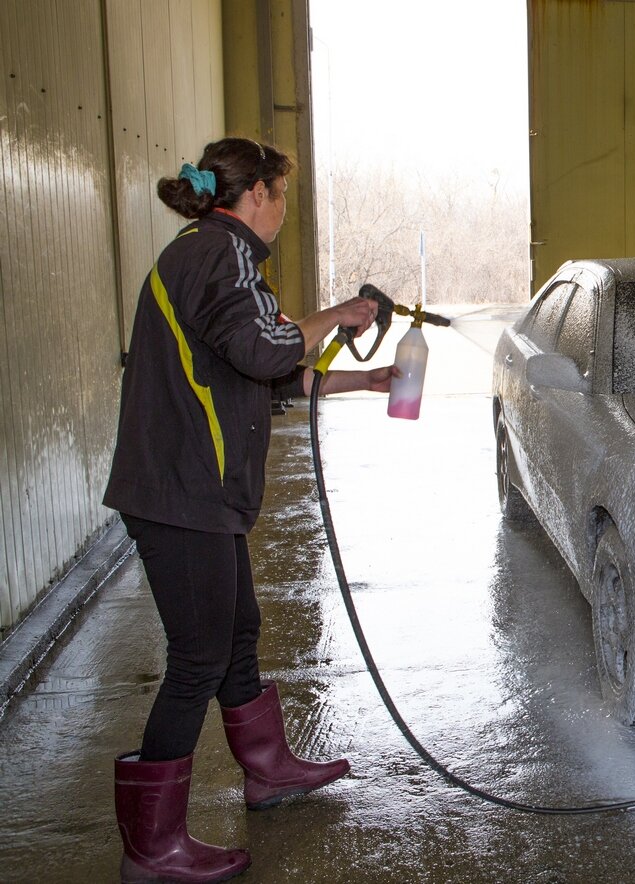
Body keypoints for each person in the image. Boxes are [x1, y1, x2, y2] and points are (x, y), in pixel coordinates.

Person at [103, 136, 390, 883]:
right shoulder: (217, 254)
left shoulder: (209, 255)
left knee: (235, 634)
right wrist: (338, 313)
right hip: (182, 493)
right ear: (255, 194)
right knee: (197, 657)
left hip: (198, 492)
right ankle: (152, 849)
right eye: (282, 193)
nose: (283, 209)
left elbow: (258, 377)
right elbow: (266, 353)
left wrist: (366, 381)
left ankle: (270, 772)